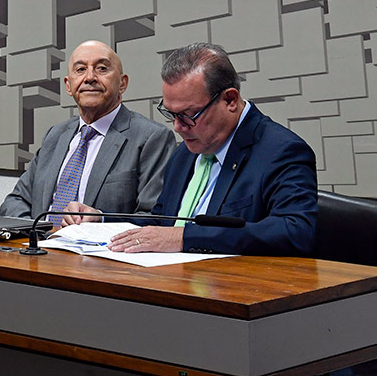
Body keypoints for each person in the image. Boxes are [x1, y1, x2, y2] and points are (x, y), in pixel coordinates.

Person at [107, 42, 317, 256]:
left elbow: (295, 231)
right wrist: (101, 218)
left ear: (230, 100)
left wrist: (186, 237)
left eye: (188, 115)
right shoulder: (185, 153)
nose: (178, 127)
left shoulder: (282, 150)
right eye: (171, 114)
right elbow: (162, 221)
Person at [0, 40, 174, 226]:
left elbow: (156, 219)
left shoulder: (152, 138)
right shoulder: (55, 136)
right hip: (41, 249)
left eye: (102, 68)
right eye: (80, 69)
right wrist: (39, 233)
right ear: (68, 85)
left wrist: (102, 218)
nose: (90, 77)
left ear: (122, 84)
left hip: (99, 252)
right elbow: (14, 202)